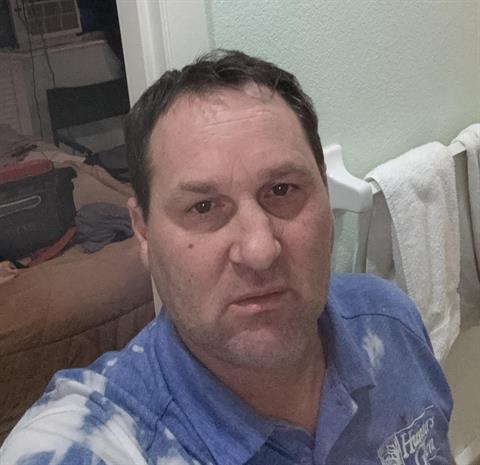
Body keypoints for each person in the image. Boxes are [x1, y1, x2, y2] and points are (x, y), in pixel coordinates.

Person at [0, 50, 453, 465]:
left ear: (324, 191)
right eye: (202, 207)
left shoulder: (389, 321)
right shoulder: (92, 443)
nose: (259, 251)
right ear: (143, 231)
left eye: (282, 190)